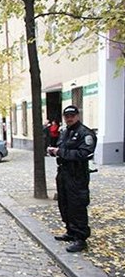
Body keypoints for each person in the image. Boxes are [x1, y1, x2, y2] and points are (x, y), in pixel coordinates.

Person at [47, 105, 97, 253]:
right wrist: (54, 152)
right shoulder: (64, 132)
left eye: (72, 116)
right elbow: (62, 149)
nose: (69, 118)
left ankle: (81, 238)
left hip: (77, 174)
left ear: (77, 116)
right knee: (64, 203)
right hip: (63, 172)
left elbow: (84, 154)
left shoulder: (85, 133)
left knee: (77, 204)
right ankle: (70, 231)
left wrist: (60, 152)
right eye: (67, 116)